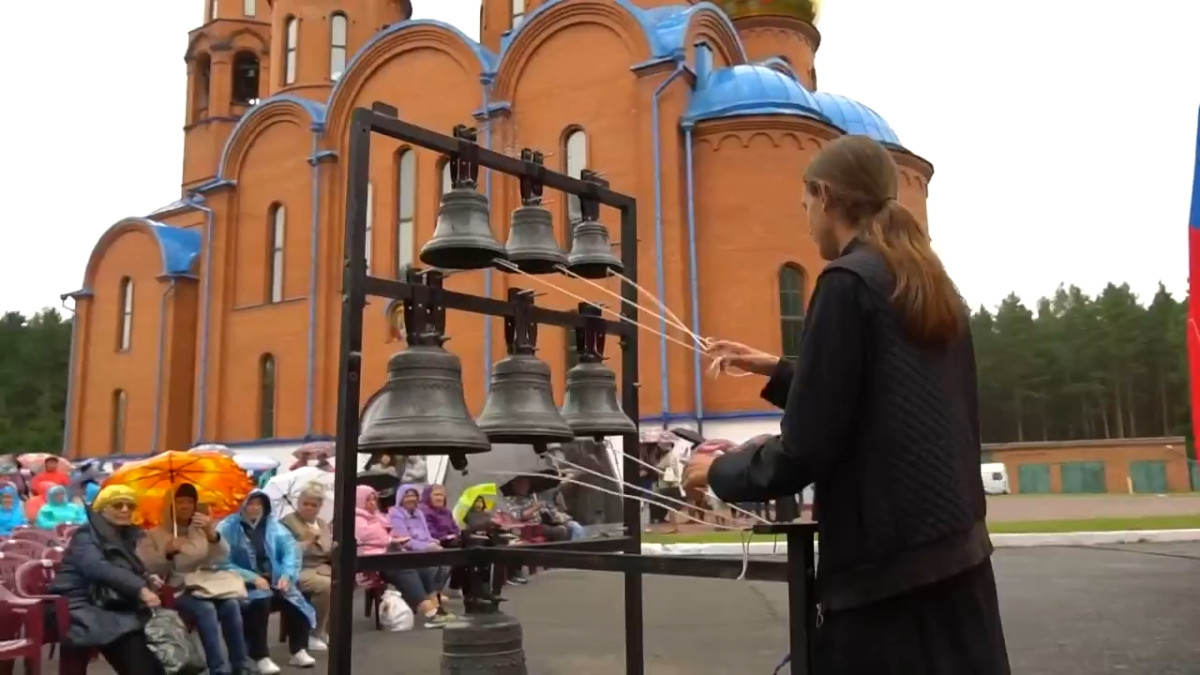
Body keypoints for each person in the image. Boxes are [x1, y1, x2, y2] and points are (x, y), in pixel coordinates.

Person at [685, 135, 1009, 674]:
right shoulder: (926, 280)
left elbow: (805, 450)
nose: (807, 220)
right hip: (960, 562)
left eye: (805, 205)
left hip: (888, 587)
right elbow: (886, 402)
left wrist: (717, 471)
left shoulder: (844, 283)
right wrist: (780, 368)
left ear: (824, 194)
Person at [49, 485, 164, 675]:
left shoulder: (125, 534)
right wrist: (140, 589)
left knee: (158, 644)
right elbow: (98, 567)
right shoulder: (86, 535)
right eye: (118, 505)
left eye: (130, 505)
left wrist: (147, 576)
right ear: (102, 508)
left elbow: (127, 565)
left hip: (110, 600)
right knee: (132, 639)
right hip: (81, 602)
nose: (125, 510)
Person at [137, 484, 249, 675]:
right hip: (175, 589)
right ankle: (218, 669)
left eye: (190, 501)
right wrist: (168, 553)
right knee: (206, 609)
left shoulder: (199, 530)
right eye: (179, 502)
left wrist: (212, 535)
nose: (185, 506)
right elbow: (148, 567)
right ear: (169, 506)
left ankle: (241, 665)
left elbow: (219, 558)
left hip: (205, 584)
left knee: (231, 605)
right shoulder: (153, 534)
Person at [217, 491, 317, 673]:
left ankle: (298, 650)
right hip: (242, 583)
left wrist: (287, 576)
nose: (254, 508)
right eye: (250, 503)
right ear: (242, 505)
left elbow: (290, 552)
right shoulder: (227, 528)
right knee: (260, 602)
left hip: (274, 580)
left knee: (299, 597)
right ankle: (260, 655)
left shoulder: (274, 527)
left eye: (259, 504)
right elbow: (222, 562)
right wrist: (253, 578)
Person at [354, 485, 452, 628]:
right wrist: (390, 540)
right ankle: (430, 612)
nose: (373, 503)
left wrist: (393, 540)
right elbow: (371, 537)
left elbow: (388, 535)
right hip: (370, 560)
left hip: (388, 553)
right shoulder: (357, 519)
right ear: (360, 501)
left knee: (419, 565)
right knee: (405, 569)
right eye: (368, 500)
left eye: (374, 500)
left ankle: (437, 607)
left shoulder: (378, 517)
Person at [279, 482, 333, 651]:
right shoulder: (287, 522)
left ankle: (327, 629)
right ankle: (313, 633)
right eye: (305, 504)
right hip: (298, 569)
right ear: (298, 503)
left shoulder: (323, 524)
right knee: (327, 585)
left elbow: (327, 549)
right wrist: (308, 541)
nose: (309, 508)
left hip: (321, 566)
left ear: (320, 507)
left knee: (343, 580)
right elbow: (284, 552)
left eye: (314, 505)